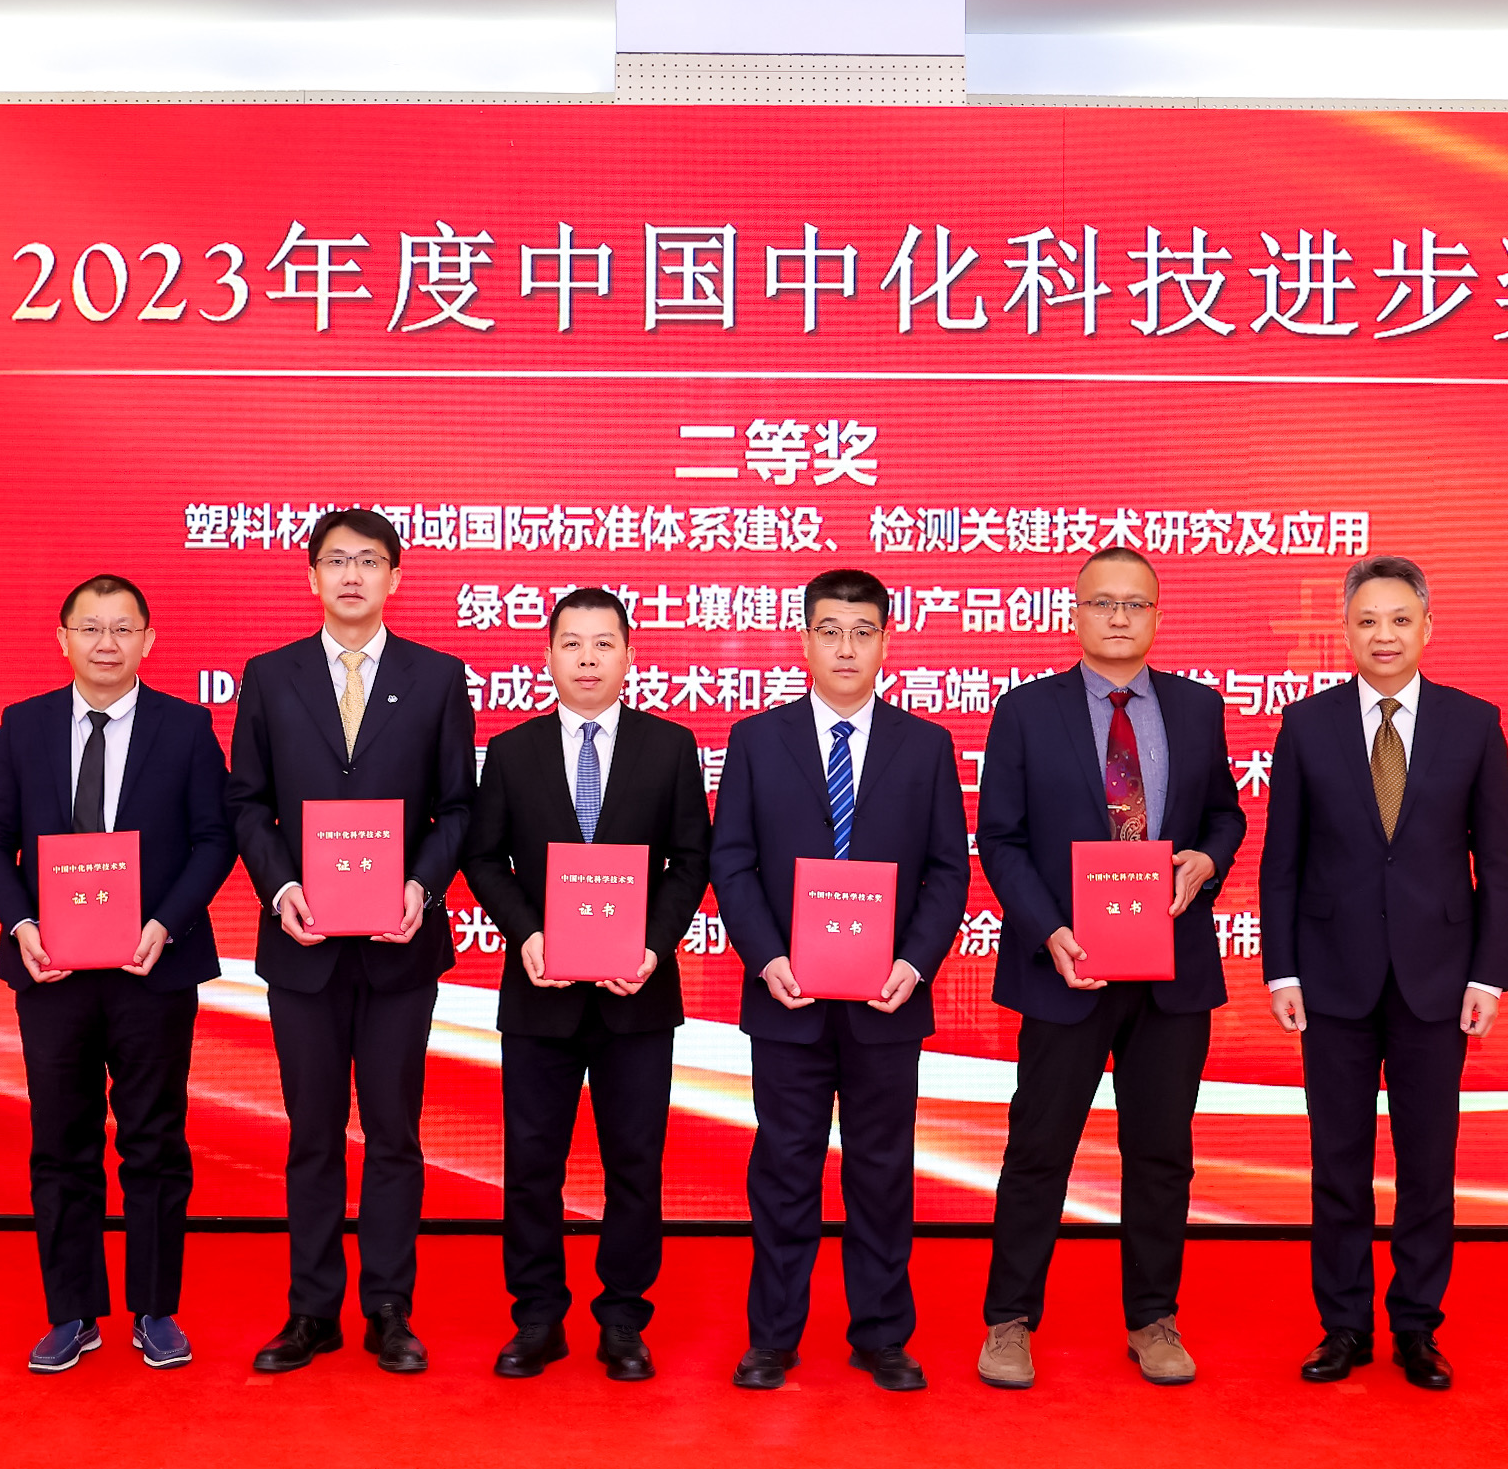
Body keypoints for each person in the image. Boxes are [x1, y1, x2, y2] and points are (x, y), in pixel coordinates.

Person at [971, 547, 1247, 1390]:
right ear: (1075, 613)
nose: (1119, 616)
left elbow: (1227, 814)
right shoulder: (1025, 711)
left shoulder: (1198, 707)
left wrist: (1208, 859)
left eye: (1135, 604)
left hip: (1170, 971)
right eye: (1102, 602)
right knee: (1039, 1148)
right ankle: (1009, 1320)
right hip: (1067, 966)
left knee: (1161, 1151)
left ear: (1158, 617)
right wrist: (1050, 929)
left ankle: (1153, 1317)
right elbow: (1001, 839)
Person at [225, 508, 477, 1376]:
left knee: (394, 1132)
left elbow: (460, 808)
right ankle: (311, 1310)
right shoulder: (271, 676)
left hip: (400, 943)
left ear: (395, 577)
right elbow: (246, 803)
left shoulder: (437, 677)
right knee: (312, 1132)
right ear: (311, 577)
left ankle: (389, 1308)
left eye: (369, 560)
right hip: (302, 943)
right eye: (336, 560)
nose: (352, 575)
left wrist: (421, 886)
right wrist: (280, 887)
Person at [708, 568, 971, 1393]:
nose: (846, 647)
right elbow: (732, 861)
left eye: (862, 631)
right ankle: (773, 1337)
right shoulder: (757, 739)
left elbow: (947, 871)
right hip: (787, 997)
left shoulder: (925, 745)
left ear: (887, 641)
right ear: (805, 640)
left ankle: (882, 1332)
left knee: (882, 1170)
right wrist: (767, 957)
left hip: (887, 1000)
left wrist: (913, 963)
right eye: (830, 630)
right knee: (784, 1168)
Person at [1262, 554, 1508, 1391]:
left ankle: (1416, 1325)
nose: (1384, 635)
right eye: (1368, 620)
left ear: (1427, 628)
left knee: (1426, 1163)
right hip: (1331, 980)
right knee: (1337, 1162)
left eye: (1400, 619)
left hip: (1438, 982)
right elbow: (1281, 863)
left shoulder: (1474, 725)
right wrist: (1281, 970)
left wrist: (1488, 975)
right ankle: (1343, 1325)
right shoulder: (1305, 727)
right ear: (1344, 629)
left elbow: (1498, 863)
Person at [0, 573, 235, 1375]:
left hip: (152, 967)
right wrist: (23, 926)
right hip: (51, 971)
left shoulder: (186, 727)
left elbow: (214, 839)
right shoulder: (23, 726)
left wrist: (165, 924)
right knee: (62, 1140)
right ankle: (72, 1312)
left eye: (123, 628)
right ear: (63, 639)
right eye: (90, 628)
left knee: (154, 1139)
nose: (106, 643)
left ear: (149, 640)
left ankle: (156, 1309)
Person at [460, 588, 713, 1382]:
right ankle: (538, 1315)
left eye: (604, 643)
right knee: (532, 1162)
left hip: (639, 995)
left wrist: (652, 945)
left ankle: (624, 1318)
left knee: (635, 1162)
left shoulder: (669, 746)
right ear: (548, 657)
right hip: (540, 992)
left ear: (630, 655)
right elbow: (482, 857)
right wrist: (527, 932)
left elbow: (691, 860)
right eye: (572, 643)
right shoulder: (512, 750)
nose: (588, 658)